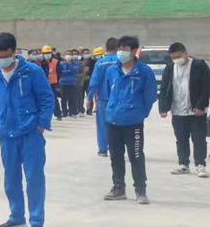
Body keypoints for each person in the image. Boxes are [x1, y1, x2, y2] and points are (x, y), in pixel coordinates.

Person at [0, 32, 54, 227]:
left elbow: (46, 99)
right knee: (11, 179)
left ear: (15, 51)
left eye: (5, 56)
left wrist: (40, 125)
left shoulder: (32, 71)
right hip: (6, 135)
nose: (1, 60)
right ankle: (16, 217)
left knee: (34, 178)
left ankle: (36, 221)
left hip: (31, 133)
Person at [102, 36, 158, 204]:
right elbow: (108, 91)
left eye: (125, 49)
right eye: (119, 49)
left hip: (133, 122)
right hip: (113, 120)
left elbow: (150, 97)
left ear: (134, 51)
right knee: (115, 156)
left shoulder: (144, 72)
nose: (121, 52)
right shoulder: (112, 70)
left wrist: (139, 113)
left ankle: (141, 190)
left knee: (136, 156)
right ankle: (118, 188)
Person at [159, 43, 210, 177]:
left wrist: (201, 106)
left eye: (178, 56)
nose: (176, 60)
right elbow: (164, 87)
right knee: (181, 139)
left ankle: (200, 165)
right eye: (173, 58)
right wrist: (163, 107)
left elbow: (206, 87)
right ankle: (183, 164)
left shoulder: (199, 65)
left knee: (199, 139)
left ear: (185, 52)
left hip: (196, 111)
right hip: (177, 110)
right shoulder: (170, 68)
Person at [86, 39, 119, 157]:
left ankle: (103, 149)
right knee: (119, 124)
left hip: (103, 98)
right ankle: (117, 149)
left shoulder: (100, 63)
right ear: (118, 48)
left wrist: (89, 97)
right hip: (119, 98)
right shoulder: (122, 61)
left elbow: (94, 81)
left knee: (102, 124)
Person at [39, 45, 61, 120]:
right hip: (43, 84)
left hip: (52, 84)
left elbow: (59, 72)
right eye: (45, 53)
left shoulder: (55, 61)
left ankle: (58, 114)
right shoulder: (41, 62)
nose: (47, 54)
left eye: (48, 53)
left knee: (54, 99)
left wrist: (57, 82)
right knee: (43, 100)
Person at [57, 50, 80, 119]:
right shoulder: (61, 63)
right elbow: (61, 72)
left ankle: (72, 112)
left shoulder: (75, 63)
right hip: (63, 82)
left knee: (72, 98)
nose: (68, 56)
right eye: (67, 54)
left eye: (70, 54)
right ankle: (64, 112)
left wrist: (69, 65)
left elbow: (74, 71)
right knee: (63, 99)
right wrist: (68, 71)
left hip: (71, 83)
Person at [78, 48, 92, 116]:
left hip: (89, 80)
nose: (87, 54)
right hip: (81, 80)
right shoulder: (80, 62)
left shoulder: (92, 62)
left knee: (89, 95)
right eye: (85, 53)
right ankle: (81, 109)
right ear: (82, 54)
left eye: (88, 53)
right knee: (81, 96)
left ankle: (89, 110)